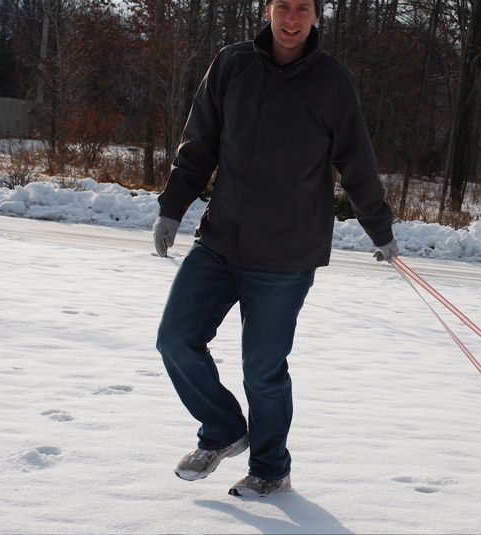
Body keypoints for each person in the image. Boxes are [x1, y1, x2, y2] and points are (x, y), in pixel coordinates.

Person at [153, 0, 400, 498]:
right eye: (283, 6)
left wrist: (379, 228)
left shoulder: (333, 81)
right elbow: (199, 143)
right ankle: (223, 429)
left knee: (262, 371)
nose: (291, 18)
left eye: (302, 8)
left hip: (286, 254)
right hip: (220, 240)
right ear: (268, 10)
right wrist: (172, 207)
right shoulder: (232, 64)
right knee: (175, 340)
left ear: (316, 16)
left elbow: (356, 161)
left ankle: (269, 469)